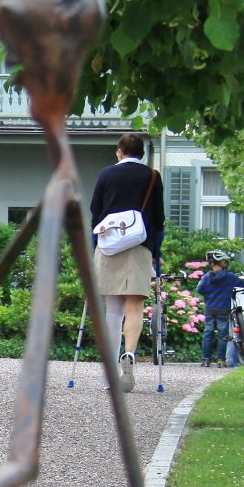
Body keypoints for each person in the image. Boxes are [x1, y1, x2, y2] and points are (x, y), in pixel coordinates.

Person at [88, 132, 165, 392]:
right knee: (135, 306)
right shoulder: (152, 176)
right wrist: (155, 250)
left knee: (113, 309)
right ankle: (129, 354)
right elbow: (159, 219)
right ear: (142, 153)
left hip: (110, 246)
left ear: (119, 151)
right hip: (139, 246)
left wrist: (96, 244)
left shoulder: (106, 174)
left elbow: (95, 211)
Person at [197, 250, 244, 367]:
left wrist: (209, 296)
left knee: (208, 333)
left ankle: (206, 360)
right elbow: (242, 282)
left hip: (210, 309)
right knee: (222, 335)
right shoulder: (229, 276)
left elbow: (199, 290)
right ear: (220, 262)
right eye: (224, 261)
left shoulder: (206, 277)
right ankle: (220, 360)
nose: (226, 263)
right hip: (223, 309)